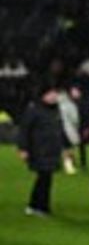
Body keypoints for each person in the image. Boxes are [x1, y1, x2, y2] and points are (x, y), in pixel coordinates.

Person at [16, 84, 66, 216]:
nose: (54, 96)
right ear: (44, 95)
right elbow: (24, 130)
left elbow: (59, 130)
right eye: (51, 94)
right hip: (39, 150)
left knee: (45, 178)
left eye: (55, 93)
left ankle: (35, 205)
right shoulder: (34, 110)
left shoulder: (56, 110)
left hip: (52, 150)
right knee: (44, 178)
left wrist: (65, 146)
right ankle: (41, 206)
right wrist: (23, 149)